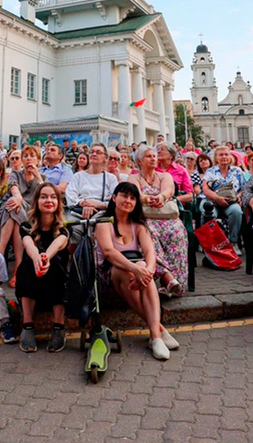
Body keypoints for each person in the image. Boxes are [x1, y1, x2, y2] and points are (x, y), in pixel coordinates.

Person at [94, 182, 179, 361]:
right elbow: (109, 253)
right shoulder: (103, 221)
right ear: (114, 197)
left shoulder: (138, 224)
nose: (128, 200)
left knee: (141, 265)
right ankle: (159, 330)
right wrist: (136, 269)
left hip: (134, 276)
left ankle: (155, 336)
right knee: (129, 270)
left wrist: (147, 270)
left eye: (133, 198)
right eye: (124, 196)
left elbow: (150, 252)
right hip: (108, 275)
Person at [16, 182, 70, 353]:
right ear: (37, 201)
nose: (49, 200)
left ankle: (59, 326)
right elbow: (28, 244)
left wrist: (45, 257)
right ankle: (28, 326)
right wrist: (37, 258)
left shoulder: (64, 228)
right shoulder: (25, 225)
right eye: (44, 196)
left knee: (56, 264)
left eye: (53, 197)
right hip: (33, 281)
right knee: (27, 264)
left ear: (58, 203)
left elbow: (58, 243)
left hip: (55, 283)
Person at [131, 144, 186, 296]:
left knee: (176, 232)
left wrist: (161, 197)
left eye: (154, 156)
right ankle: (166, 277)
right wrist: (147, 199)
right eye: (149, 156)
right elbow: (134, 194)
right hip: (144, 218)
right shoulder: (133, 177)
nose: (153, 158)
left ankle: (174, 281)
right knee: (149, 233)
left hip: (166, 217)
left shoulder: (164, 176)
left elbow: (169, 190)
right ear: (139, 161)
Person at [0, 145, 42, 281]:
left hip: (31, 214)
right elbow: (14, 189)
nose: (28, 159)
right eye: (26, 156)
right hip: (11, 210)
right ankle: (18, 268)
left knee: (15, 208)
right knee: (14, 207)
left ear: (38, 160)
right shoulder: (16, 174)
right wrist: (18, 197)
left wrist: (38, 176)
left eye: (32, 156)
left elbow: (44, 196)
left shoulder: (42, 178)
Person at [201, 145, 246, 253]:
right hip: (212, 200)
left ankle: (233, 242)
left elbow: (244, 188)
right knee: (208, 213)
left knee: (236, 211)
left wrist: (239, 196)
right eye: (221, 155)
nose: (224, 157)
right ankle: (210, 244)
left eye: (226, 154)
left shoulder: (237, 171)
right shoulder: (211, 171)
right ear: (216, 158)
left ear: (230, 156)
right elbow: (205, 190)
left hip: (231, 202)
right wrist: (217, 198)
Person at [66, 144, 118, 221]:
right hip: (79, 212)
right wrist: (83, 203)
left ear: (106, 158)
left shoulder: (111, 178)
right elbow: (70, 195)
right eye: (92, 152)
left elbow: (116, 200)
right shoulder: (78, 176)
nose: (94, 154)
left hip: (102, 213)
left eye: (98, 152)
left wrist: (96, 204)